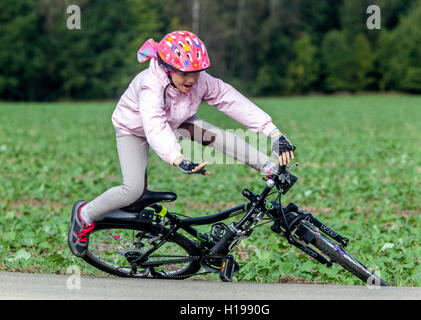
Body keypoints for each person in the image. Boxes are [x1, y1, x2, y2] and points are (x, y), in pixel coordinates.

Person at [68, 30, 295, 257]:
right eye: (184, 73)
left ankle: (268, 167)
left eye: (196, 72)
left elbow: (232, 102)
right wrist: (178, 159)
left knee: (216, 135)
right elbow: (154, 125)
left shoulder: (200, 80)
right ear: (167, 69)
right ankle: (84, 214)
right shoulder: (151, 85)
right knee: (132, 189)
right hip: (134, 130)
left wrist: (274, 134)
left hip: (177, 121)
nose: (191, 79)